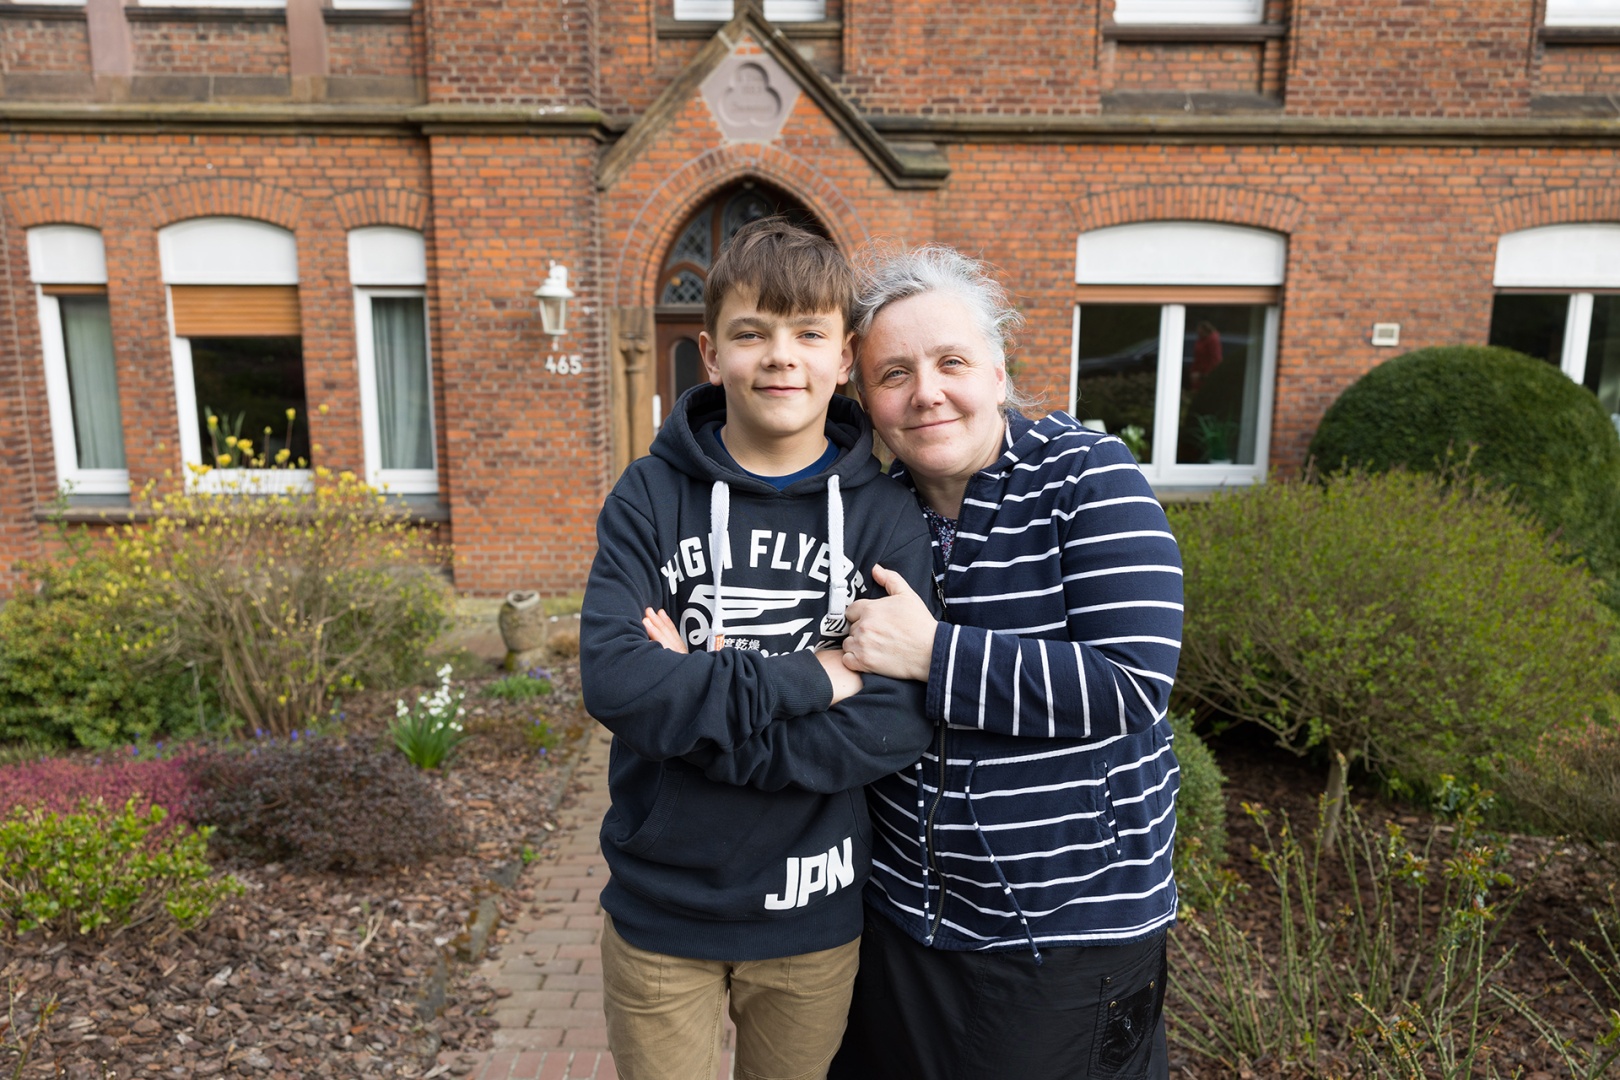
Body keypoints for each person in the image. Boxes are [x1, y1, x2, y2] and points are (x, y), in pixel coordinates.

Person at [579, 218, 939, 1080]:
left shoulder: (887, 515)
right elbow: (618, 683)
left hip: (812, 912)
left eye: (808, 333)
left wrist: (697, 702)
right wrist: (819, 673)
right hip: (662, 911)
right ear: (711, 354)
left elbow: (895, 723)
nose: (781, 357)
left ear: (845, 356)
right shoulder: (648, 495)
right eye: (752, 333)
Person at [828, 246, 1185, 1080]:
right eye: (894, 374)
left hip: (1062, 937)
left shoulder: (1088, 479)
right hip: (904, 926)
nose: (926, 392)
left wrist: (932, 654)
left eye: (951, 361)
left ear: (997, 370)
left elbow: (1129, 682)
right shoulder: (878, 510)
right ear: (867, 402)